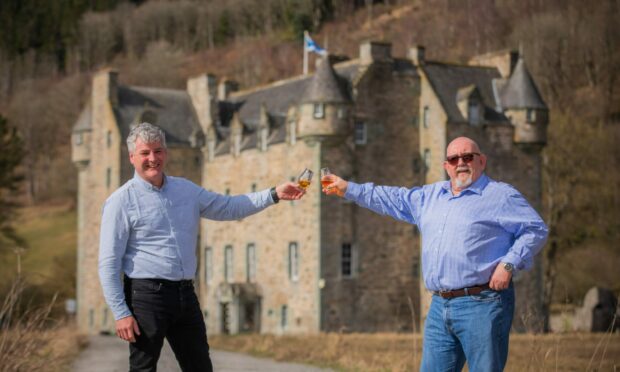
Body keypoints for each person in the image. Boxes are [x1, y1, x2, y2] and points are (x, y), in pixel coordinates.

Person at [321, 136, 548, 371]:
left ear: (482, 161)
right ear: (446, 166)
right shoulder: (429, 197)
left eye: (468, 157)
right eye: (454, 158)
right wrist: (347, 188)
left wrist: (509, 264)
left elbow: (535, 229)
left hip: (483, 303)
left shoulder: (500, 195)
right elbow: (389, 197)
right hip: (440, 306)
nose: (461, 162)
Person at [99, 122, 305, 372]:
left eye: (158, 151)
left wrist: (273, 194)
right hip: (146, 296)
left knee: (200, 368)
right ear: (132, 157)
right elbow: (109, 262)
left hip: (186, 294)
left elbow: (228, 207)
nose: (153, 158)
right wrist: (121, 312)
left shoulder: (185, 190)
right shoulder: (120, 201)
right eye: (145, 153)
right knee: (143, 369)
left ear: (166, 153)